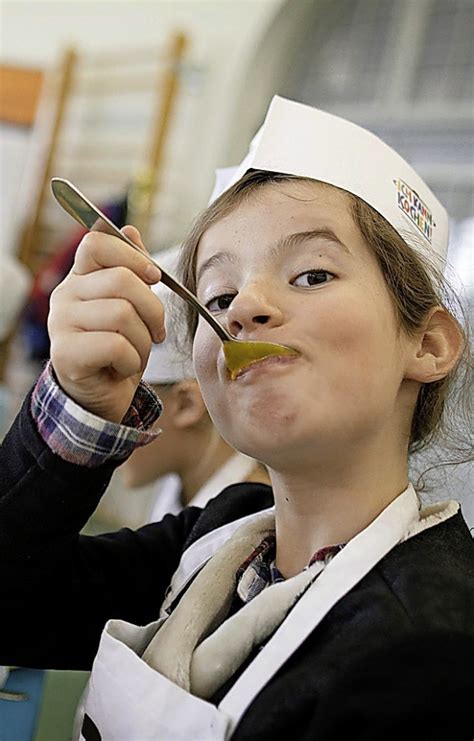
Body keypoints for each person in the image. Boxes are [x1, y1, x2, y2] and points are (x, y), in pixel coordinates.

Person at [0, 96, 473, 740]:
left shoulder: (438, 644)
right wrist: (79, 402)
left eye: (311, 274)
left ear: (427, 344)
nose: (244, 306)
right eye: (219, 294)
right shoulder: (213, 543)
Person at [108, 246, 270, 526]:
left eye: (127, 406)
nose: (107, 424)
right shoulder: (178, 491)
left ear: (187, 404)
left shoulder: (247, 524)